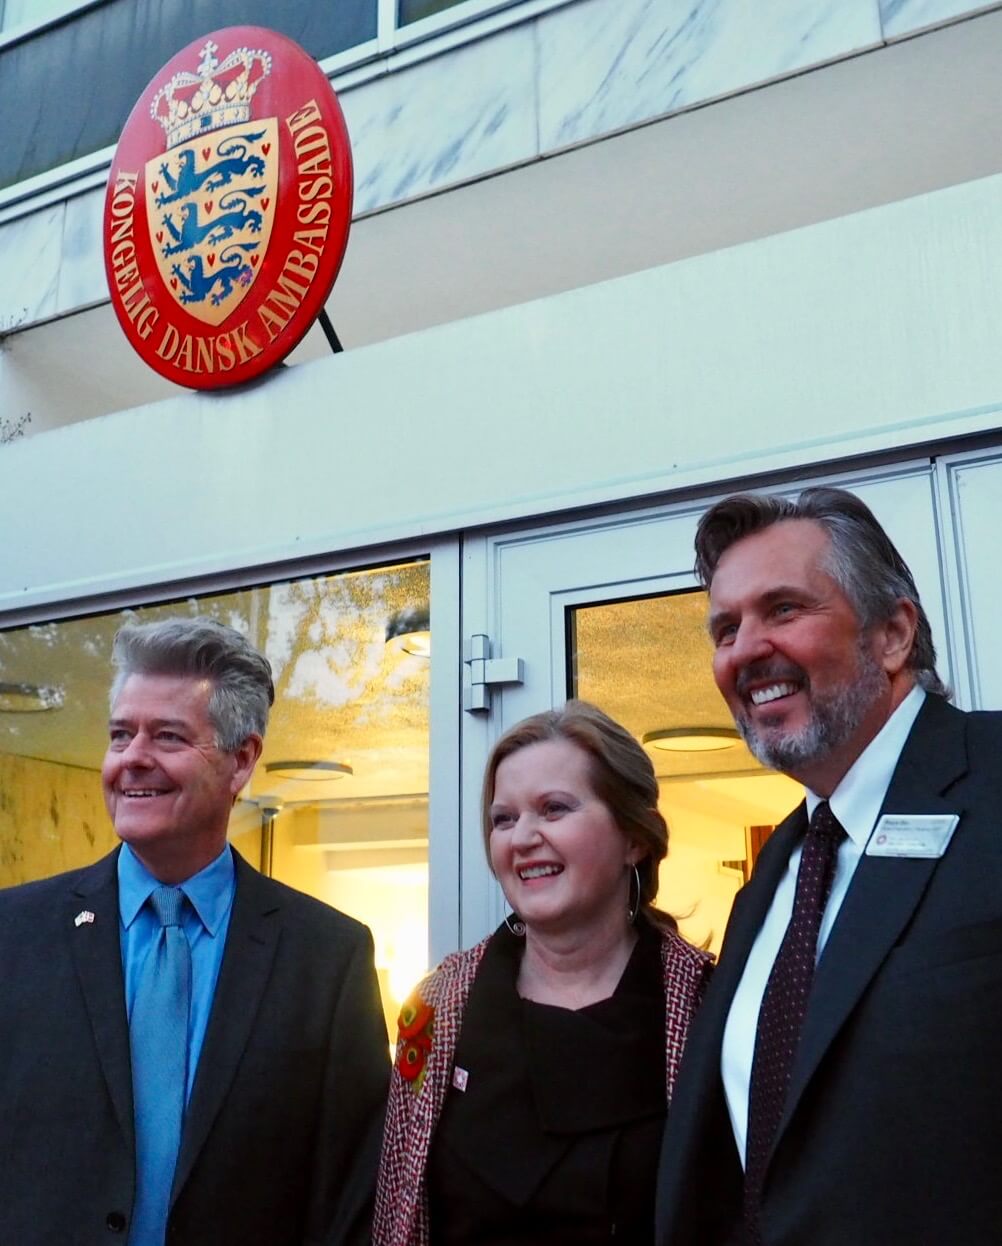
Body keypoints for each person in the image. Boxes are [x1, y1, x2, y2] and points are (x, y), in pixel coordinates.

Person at [656, 486, 1002, 1246]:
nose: (744, 650)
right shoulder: (772, 877)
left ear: (892, 634)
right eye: (726, 628)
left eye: (782, 609)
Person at [0, 617, 389, 1246]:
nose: (133, 758)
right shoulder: (13, 935)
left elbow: (348, 1197)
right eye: (120, 734)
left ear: (241, 761)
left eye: (168, 736)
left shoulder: (326, 957)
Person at [374, 699, 712, 1246]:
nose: (522, 837)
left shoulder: (705, 1006)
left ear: (634, 838)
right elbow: (396, 1210)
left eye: (554, 809)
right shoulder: (436, 1008)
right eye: (503, 819)